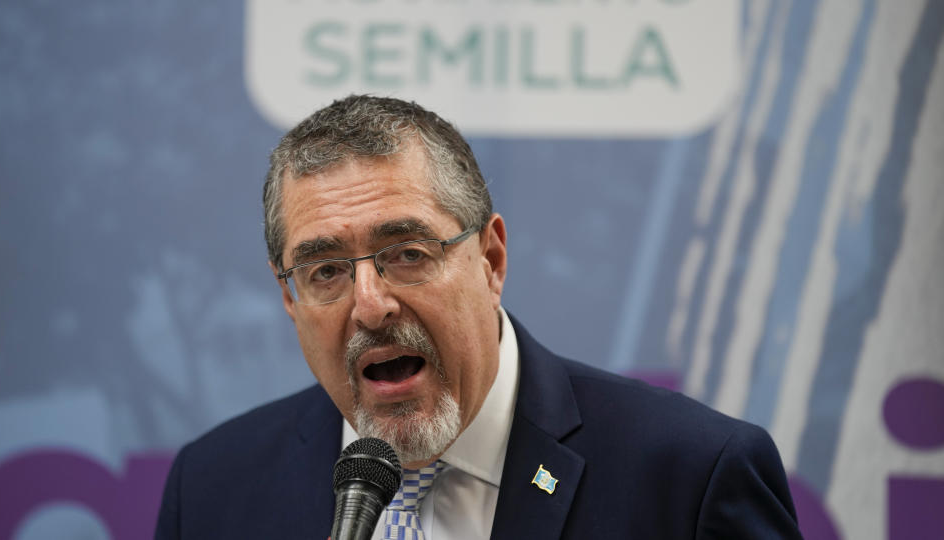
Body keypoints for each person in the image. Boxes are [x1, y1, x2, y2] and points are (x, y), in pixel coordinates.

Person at [154, 95, 802, 539]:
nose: (370, 304)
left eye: (405, 253)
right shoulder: (214, 490)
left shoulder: (687, 478)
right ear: (289, 299)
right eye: (325, 271)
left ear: (490, 258)